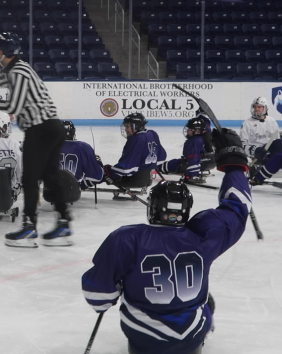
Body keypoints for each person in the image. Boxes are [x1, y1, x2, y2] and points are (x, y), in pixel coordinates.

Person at [82, 128, 250, 354]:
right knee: (206, 302)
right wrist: (234, 165)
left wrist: (115, 289)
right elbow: (237, 207)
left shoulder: (126, 238)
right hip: (191, 336)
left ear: (152, 207)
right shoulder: (204, 235)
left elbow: (98, 298)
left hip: (144, 338)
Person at [0, 32, 69, 247]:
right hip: (53, 126)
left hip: (40, 129)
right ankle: (64, 223)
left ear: (1, 52)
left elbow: (15, 107)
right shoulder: (19, 68)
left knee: (29, 179)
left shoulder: (18, 73)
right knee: (50, 177)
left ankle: (29, 228)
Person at [103, 112, 167, 188]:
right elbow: (161, 158)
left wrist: (108, 170)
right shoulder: (152, 134)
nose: (126, 130)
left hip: (134, 180)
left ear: (135, 126)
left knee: (105, 171)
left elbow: (126, 169)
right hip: (148, 179)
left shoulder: (136, 139)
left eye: (127, 127)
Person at [44, 121, 103, 198]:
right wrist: (98, 163)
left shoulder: (47, 146)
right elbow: (96, 177)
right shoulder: (84, 147)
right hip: (73, 193)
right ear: (73, 132)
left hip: (50, 193)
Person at [240, 97, 280, 161]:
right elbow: (243, 144)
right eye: (255, 107)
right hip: (256, 151)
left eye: (259, 107)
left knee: (279, 142)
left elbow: (277, 139)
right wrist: (254, 151)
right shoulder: (247, 123)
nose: (256, 109)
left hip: (270, 151)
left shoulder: (272, 121)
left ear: (265, 108)